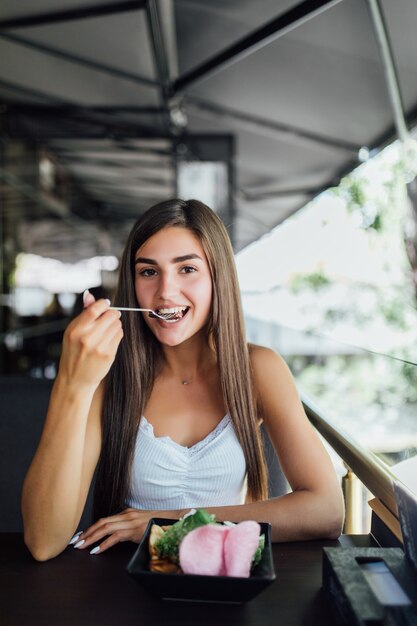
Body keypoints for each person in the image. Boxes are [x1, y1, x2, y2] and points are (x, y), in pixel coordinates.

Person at [22, 199, 344, 561]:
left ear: (217, 277)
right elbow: (44, 541)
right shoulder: (109, 374)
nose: (165, 292)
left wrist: (171, 523)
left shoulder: (259, 368)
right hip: (127, 583)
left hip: (224, 581)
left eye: (187, 269)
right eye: (148, 272)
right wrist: (72, 383)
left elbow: (326, 511)